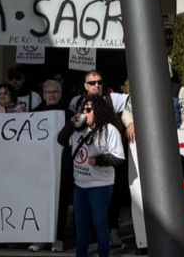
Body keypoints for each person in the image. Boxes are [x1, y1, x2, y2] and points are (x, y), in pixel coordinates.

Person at [60, 95, 124, 257]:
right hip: (80, 185)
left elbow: (118, 158)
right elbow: (61, 140)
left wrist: (100, 160)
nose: (84, 113)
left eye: (88, 110)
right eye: (83, 110)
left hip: (101, 186)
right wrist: (70, 124)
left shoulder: (109, 130)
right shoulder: (77, 128)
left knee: (100, 224)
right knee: (81, 227)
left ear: (99, 111)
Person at [32, 79, 70, 253]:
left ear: (60, 94)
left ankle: (58, 239)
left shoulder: (69, 114)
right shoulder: (33, 114)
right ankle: (41, 239)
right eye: (49, 92)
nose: (52, 95)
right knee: (40, 203)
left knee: (60, 203)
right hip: (39, 167)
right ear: (43, 94)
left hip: (62, 166)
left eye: (55, 92)